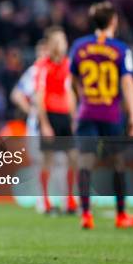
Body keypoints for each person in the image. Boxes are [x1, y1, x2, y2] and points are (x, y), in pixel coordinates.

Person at [69, 1, 133, 229]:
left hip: (87, 111)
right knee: (117, 163)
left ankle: (86, 215)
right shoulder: (120, 49)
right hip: (110, 114)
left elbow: (71, 79)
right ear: (113, 21)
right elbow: (127, 82)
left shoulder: (79, 46)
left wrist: (81, 99)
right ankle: (121, 216)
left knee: (85, 163)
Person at [35, 27, 78, 214]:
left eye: (64, 41)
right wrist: (44, 124)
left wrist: (75, 117)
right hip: (50, 115)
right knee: (48, 160)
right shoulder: (43, 66)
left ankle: (69, 199)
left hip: (64, 116)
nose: (63, 45)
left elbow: (69, 92)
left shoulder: (68, 65)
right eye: (59, 42)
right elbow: (39, 95)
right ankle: (45, 200)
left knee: (73, 157)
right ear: (51, 45)